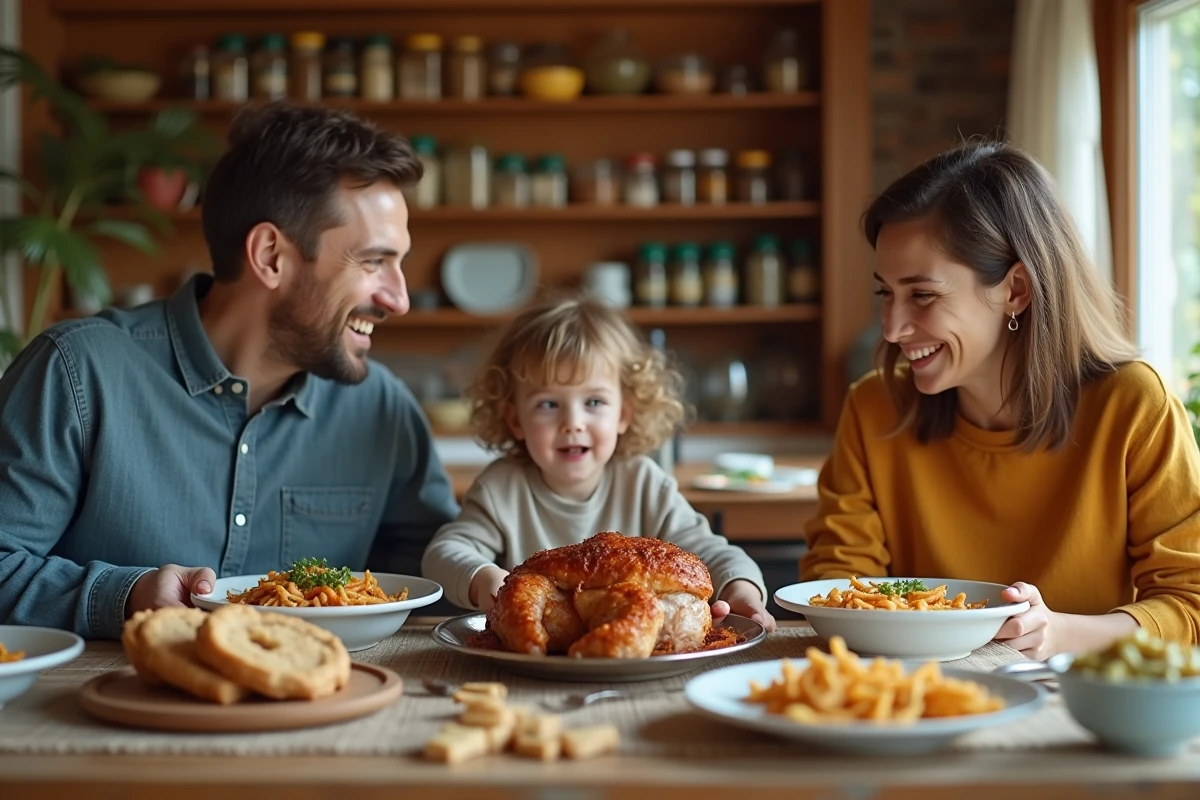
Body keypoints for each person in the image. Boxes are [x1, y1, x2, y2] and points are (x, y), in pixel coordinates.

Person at [0, 104, 460, 640]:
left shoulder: (382, 408)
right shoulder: (76, 373)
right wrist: (125, 595)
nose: (399, 299)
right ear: (270, 256)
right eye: (374, 261)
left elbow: (439, 577)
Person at [801, 140, 1200, 660]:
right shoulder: (873, 408)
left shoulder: (1135, 406)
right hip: (919, 691)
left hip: (1082, 699)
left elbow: (1190, 606)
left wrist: (1056, 633)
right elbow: (837, 584)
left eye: (922, 295)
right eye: (886, 293)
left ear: (1016, 290)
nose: (893, 328)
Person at [422, 294, 777, 632]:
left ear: (623, 414)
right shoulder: (501, 489)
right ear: (516, 420)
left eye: (593, 402)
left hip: (634, 643)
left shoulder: (643, 483)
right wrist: (483, 578)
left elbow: (711, 551)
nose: (572, 423)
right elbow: (443, 553)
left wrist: (741, 590)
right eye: (549, 404)